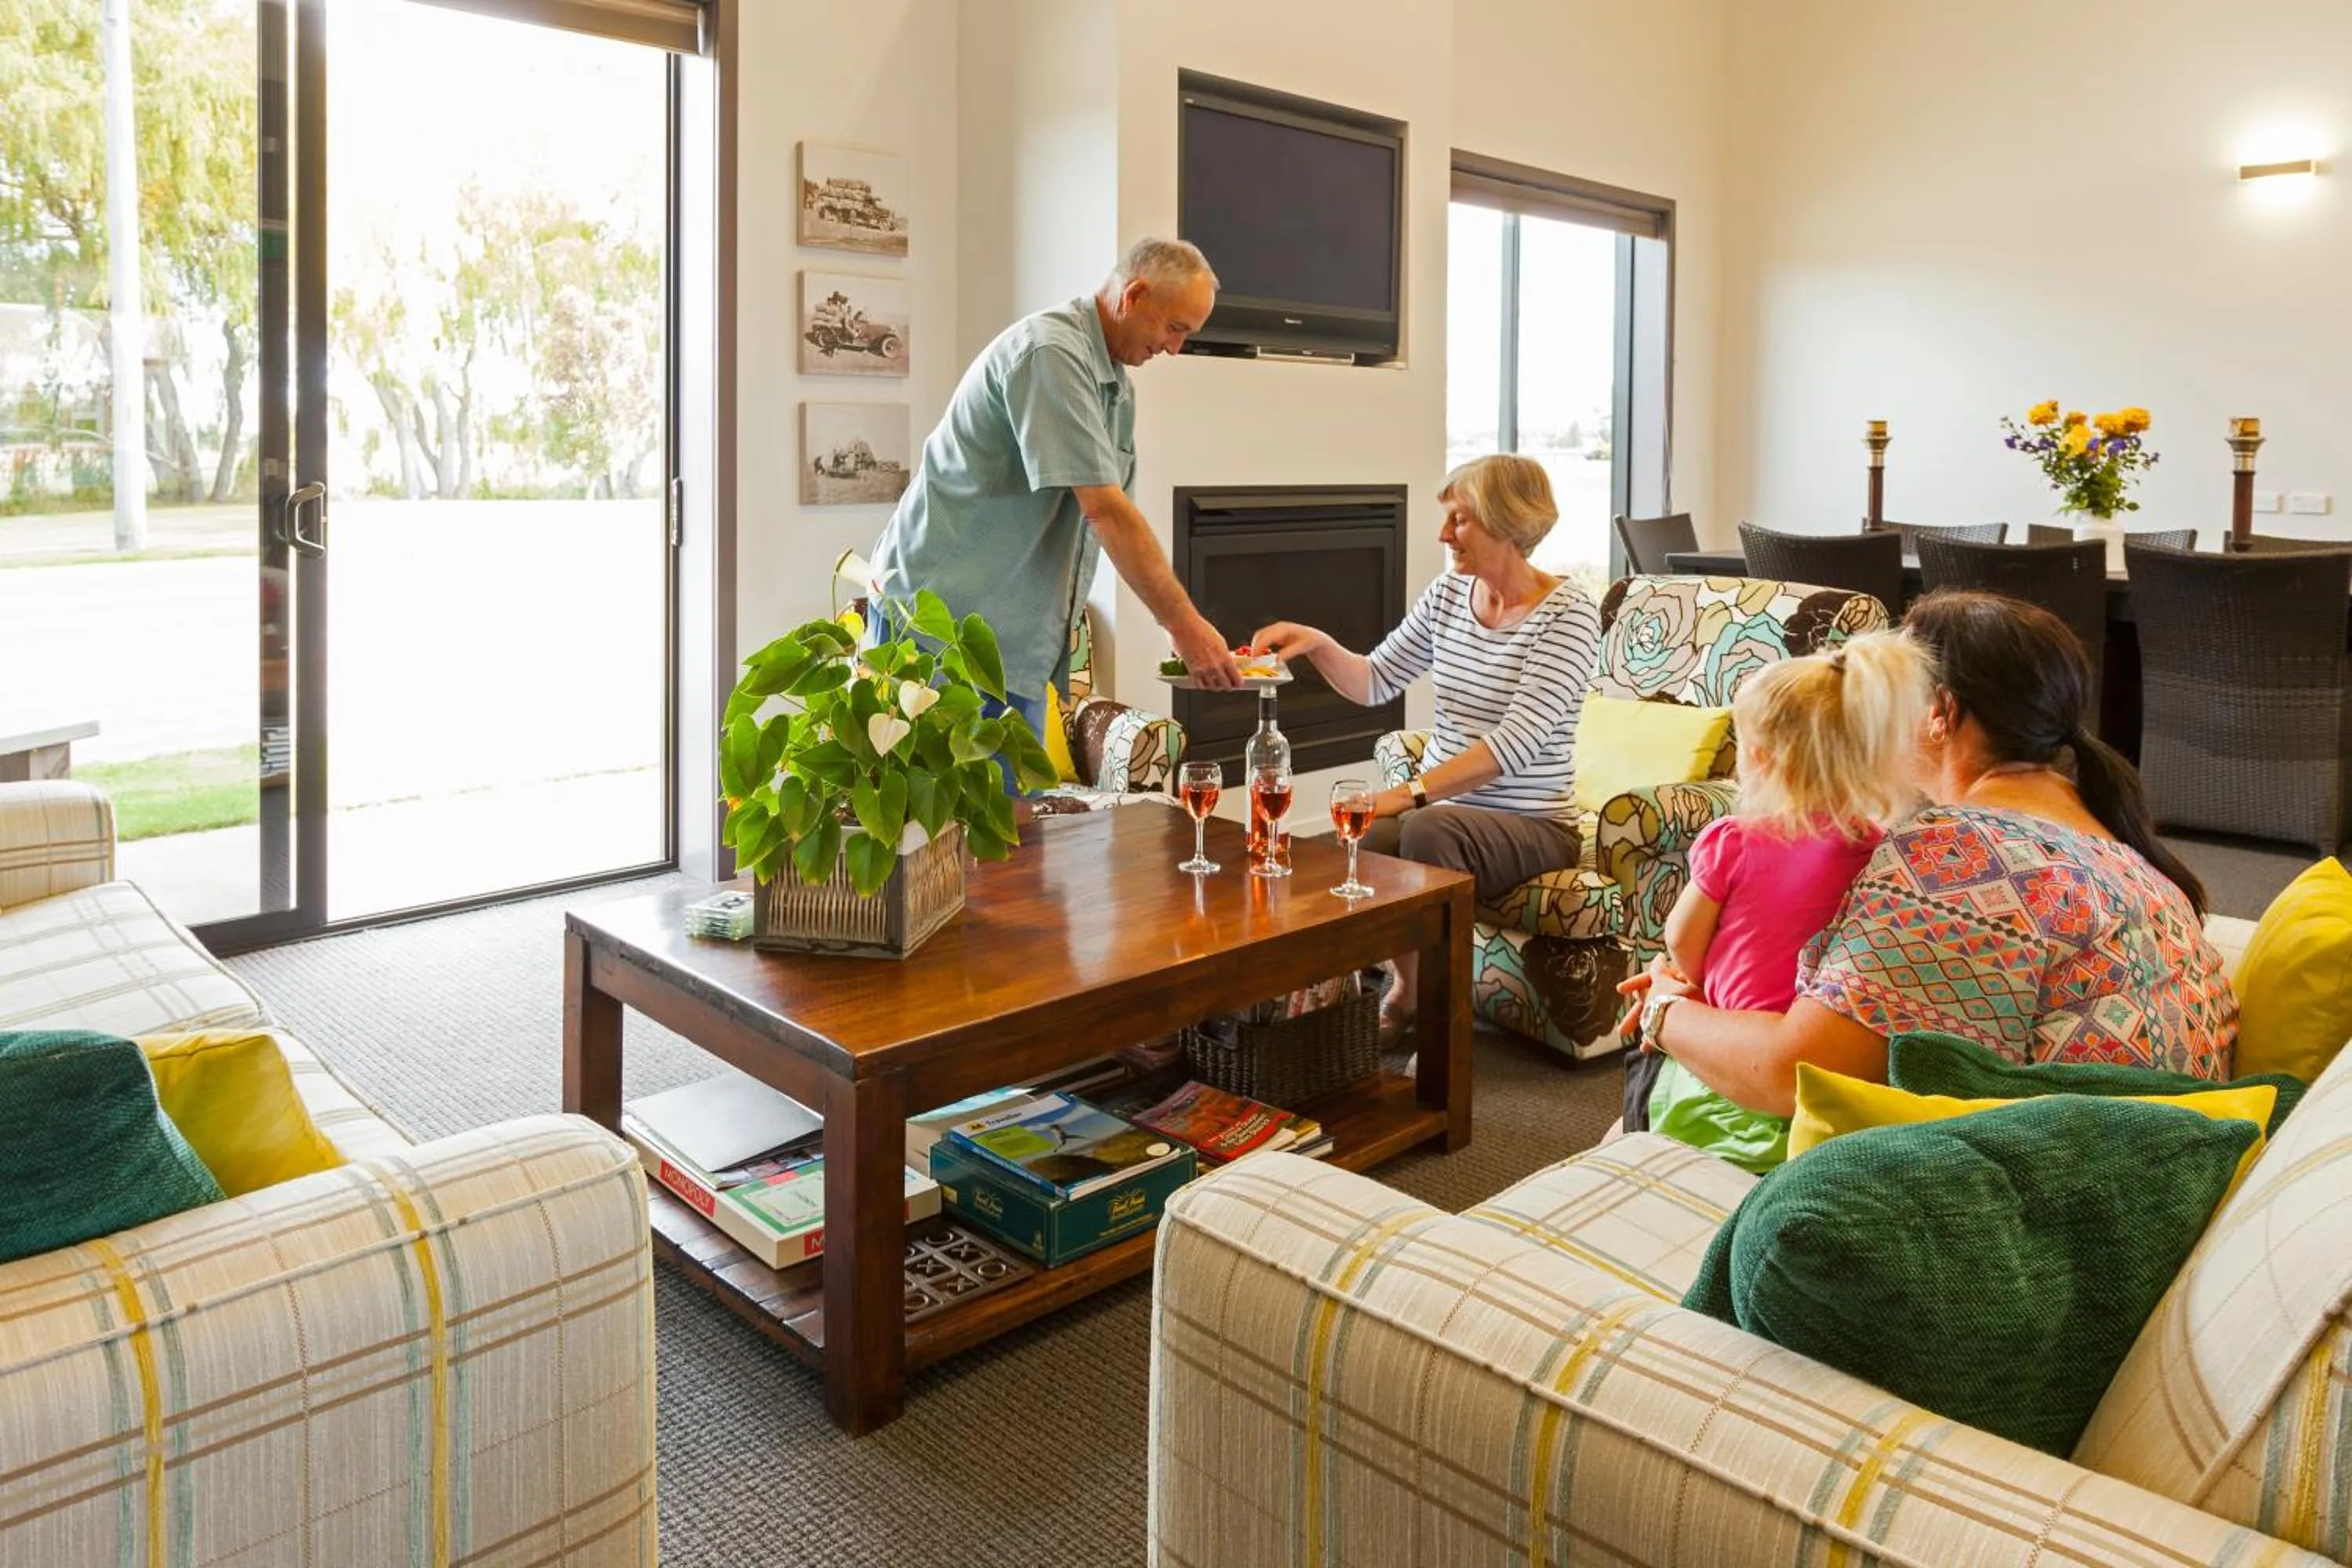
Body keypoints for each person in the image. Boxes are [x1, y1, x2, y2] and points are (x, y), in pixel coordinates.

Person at [1621, 590, 2237, 1142]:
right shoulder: (2120, 848)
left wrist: (1663, 1009)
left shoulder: (1961, 854)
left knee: (1656, 1064)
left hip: (2057, 1176)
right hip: (2131, 1155)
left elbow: (1791, 1076)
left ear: (1939, 712)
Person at [1253, 454, 1602, 1036]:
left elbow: (1513, 746)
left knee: (1423, 829)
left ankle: (1442, 1026)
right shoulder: (1449, 595)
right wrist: (1315, 642)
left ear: (1507, 522)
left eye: (1459, 520)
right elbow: (1375, 681)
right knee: (1356, 835)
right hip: (1442, 812)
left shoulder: (1567, 616)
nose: (1444, 535)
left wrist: (1409, 793)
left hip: (1533, 824)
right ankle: (1385, 994)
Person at [866, 238, 1241, 771]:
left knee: (1012, 842)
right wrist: (1185, 626)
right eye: (1174, 328)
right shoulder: (1052, 354)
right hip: (941, 634)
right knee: (940, 843)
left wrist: (1170, 627)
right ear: (1133, 295)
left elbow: (1111, 526)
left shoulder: (1116, 389)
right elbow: (1106, 512)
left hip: (1010, 649)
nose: (1175, 348)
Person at [1626, 631, 1934, 1173]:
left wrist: (1687, 982)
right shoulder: (1878, 852)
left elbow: (1679, 938)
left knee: (1641, 1063)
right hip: (1818, 1076)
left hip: (1725, 1064)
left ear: (1760, 757)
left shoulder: (1735, 840)